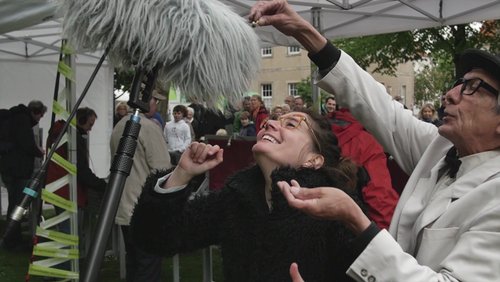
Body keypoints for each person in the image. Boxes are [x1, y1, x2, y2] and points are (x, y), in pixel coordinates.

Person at [249, 1, 500, 281]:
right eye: (457, 83)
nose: (450, 95)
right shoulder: (440, 148)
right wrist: (305, 32)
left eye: (472, 88)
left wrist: (356, 220)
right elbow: (378, 106)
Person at [130, 109, 367, 281]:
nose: (269, 124)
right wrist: (181, 175)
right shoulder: (236, 197)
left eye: (292, 124)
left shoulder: (337, 209)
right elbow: (155, 239)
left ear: (314, 159)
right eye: (272, 120)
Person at [111, 95, 171, 282]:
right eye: (155, 101)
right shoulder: (148, 127)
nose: (157, 105)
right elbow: (162, 171)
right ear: (147, 102)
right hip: (144, 208)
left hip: (124, 204)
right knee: (147, 265)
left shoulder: (120, 125)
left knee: (135, 263)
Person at [45, 107, 107, 267]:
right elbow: (81, 170)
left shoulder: (60, 130)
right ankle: (62, 269)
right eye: (90, 124)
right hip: (65, 189)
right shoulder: (71, 136)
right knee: (68, 232)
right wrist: (102, 185)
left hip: (58, 186)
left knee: (65, 230)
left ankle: (62, 267)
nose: (91, 128)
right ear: (81, 120)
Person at [324, 96, 399, 229]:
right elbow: (379, 197)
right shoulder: (366, 142)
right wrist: (385, 237)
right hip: (347, 226)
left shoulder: (317, 128)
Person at [0, 100, 46, 251]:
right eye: (40, 116)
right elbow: (27, 144)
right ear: (36, 112)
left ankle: (13, 239)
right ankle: (11, 241)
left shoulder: (14, 117)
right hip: (17, 171)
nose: (39, 120)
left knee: (15, 204)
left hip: (9, 169)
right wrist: (40, 152)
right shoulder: (23, 120)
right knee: (18, 207)